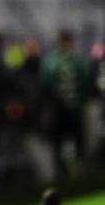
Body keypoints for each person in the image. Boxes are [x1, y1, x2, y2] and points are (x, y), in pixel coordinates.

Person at [41, 29, 91, 174]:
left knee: (60, 143)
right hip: (74, 108)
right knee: (78, 142)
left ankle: (63, 172)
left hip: (60, 110)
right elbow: (86, 81)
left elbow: (46, 84)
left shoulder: (52, 61)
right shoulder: (77, 60)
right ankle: (79, 170)